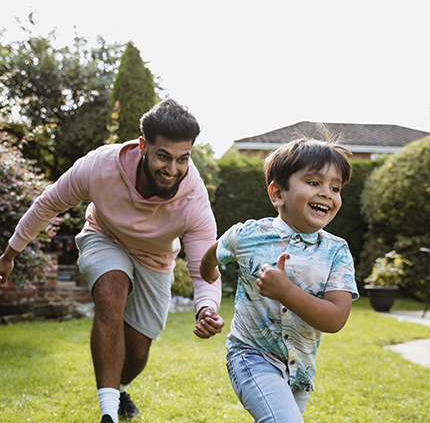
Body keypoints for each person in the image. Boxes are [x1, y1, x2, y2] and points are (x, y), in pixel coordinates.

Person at [0, 99, 225, 423]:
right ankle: (108, 414)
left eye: (182, 159)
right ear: (143, 146)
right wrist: (10, 253)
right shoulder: (100, 166)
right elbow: (48, 204)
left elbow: (205, 267)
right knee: (110, 291)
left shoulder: (194, 199)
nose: (172, 169)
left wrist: (207, 308)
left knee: (136, 352)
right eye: (163, 156)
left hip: (157, 258)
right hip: (104, 236)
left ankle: (118, 389)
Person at [200, 135, 359, 423]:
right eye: (314, 182)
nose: (327, 193)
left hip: (300, 370)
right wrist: (209, 276)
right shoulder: (247, 236)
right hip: (250, 355)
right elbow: (212, 254)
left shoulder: (337, 252)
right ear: (278, 194)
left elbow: (336, 319)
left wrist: (285, 291)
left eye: (335, 187)